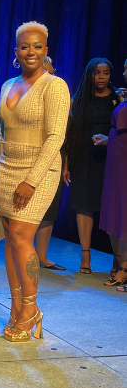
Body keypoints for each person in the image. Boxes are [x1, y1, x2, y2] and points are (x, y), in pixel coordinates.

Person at [0, 22, 69, 342]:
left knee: (22, 236)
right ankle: (16, 307)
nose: (31, 51)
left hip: (39, 170)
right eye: (25, 46)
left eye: (38, 46)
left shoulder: (54, 86)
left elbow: (56, 137)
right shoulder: (7, 85)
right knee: (11, 240)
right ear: (16, 51)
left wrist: (32, 180)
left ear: (46, 51)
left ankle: (31, 309)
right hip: (7, 169)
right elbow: (2, 134)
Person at [62, 58, 121, 274]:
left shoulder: (117, 98)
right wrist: (66, 165)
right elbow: (70, 135)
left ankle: (118, 259)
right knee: (84, 205)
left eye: (106, 72)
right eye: (97, 73)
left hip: (111, 160)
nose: (102, 77)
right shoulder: (79, 100)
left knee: (113, 209)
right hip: (84, 158)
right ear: (90, 74)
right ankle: (85, 255)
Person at [95, 59, 127, 288]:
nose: (124, 73)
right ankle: (120, 263)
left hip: (124, 164)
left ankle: (124, 267)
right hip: (116, 162)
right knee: (117, 211)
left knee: (124, 213)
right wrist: (109, 140)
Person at [35, 58, 66, 271]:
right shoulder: (20, 90)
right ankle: (24, 254)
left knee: (49, 210)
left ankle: (42, 256)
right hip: (28, 157)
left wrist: (67, 165)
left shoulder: (58, 90)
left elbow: (65, 133)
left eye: (50, 66)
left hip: (53, 159)